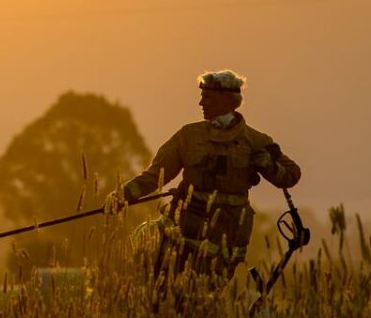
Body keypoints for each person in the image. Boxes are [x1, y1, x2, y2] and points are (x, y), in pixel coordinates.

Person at [106, 69, 301, 297]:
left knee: (202, 298)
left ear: (228, 100)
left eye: (207, 97)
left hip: (225, 243)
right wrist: (122, 196)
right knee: (166, 294)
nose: (201, 102)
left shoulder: (256, 141)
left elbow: (291, 175)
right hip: (184, 235)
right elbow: (155, 176)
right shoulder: (188, 136)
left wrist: (269, 165)